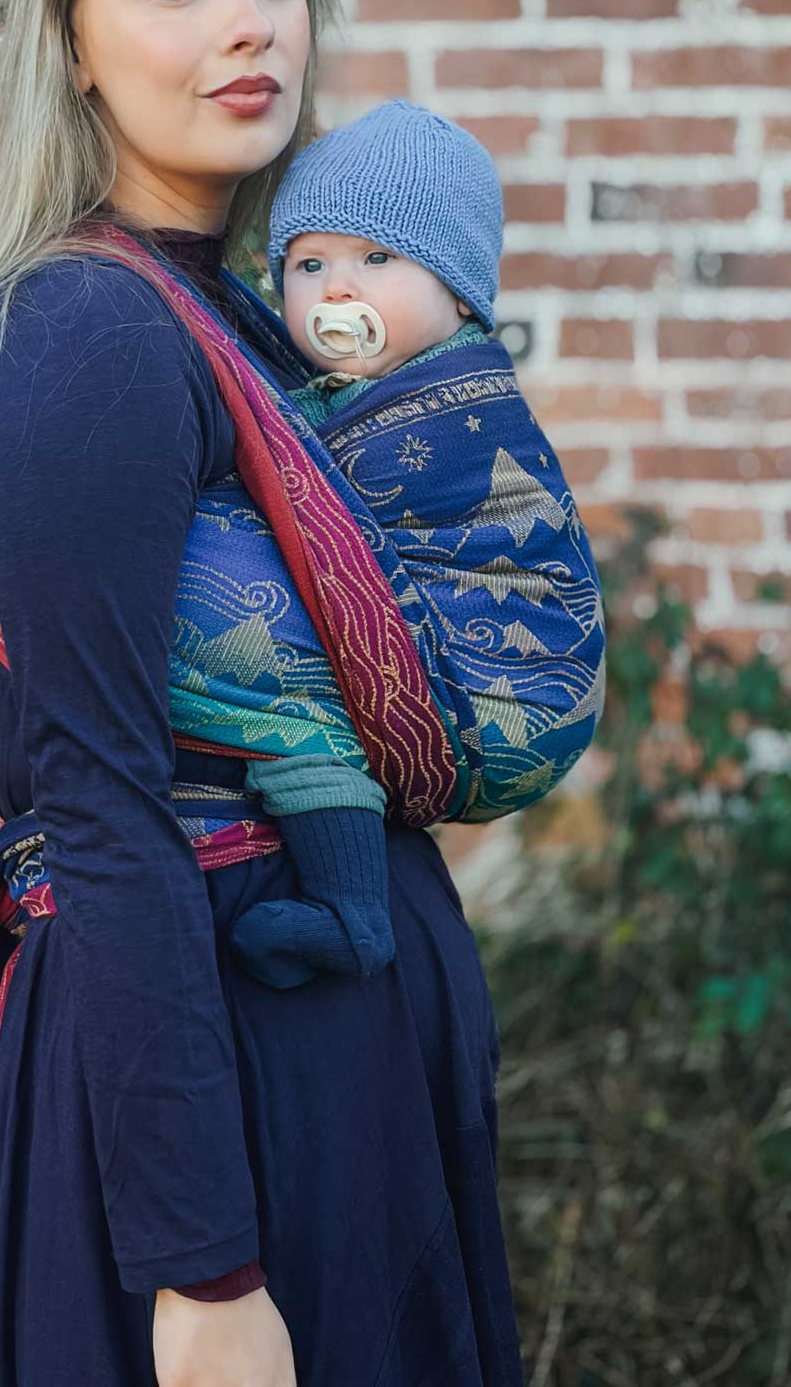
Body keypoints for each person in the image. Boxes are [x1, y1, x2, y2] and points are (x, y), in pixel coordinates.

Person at [0, 0, 526, 1387]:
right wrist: (202, 1272)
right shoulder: (86, 332)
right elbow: (100, 804)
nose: (251, 23)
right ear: (71, 47)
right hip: (214, 1080)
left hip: (315, 1039)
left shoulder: (246, 312)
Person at [212, 99, 607, 989]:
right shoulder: (372, 382)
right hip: (487, 691)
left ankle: (351, 913)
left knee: (283, 670)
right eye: (309, 264)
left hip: (506, 687)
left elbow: (321, 507)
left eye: (377, 260)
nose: (338, 291)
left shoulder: (450, 404)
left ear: (458, 290)